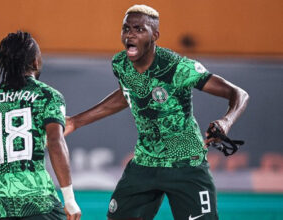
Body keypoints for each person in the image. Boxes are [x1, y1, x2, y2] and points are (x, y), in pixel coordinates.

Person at [64, 5, 249, 220]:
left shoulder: (178, 67)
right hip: (145, 162)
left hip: (185, 163)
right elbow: (128, 94)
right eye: (126, 29)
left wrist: (226, 122)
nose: (130, 34)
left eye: (139, 29)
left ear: (155, 35)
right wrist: (76, 121)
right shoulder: (121, 64)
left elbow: (239, 94)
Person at [0, 31, 81, 220]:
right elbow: (55, 141)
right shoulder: (47, 95)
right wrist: (69, 199)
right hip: (38, 203)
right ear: (35, 62)